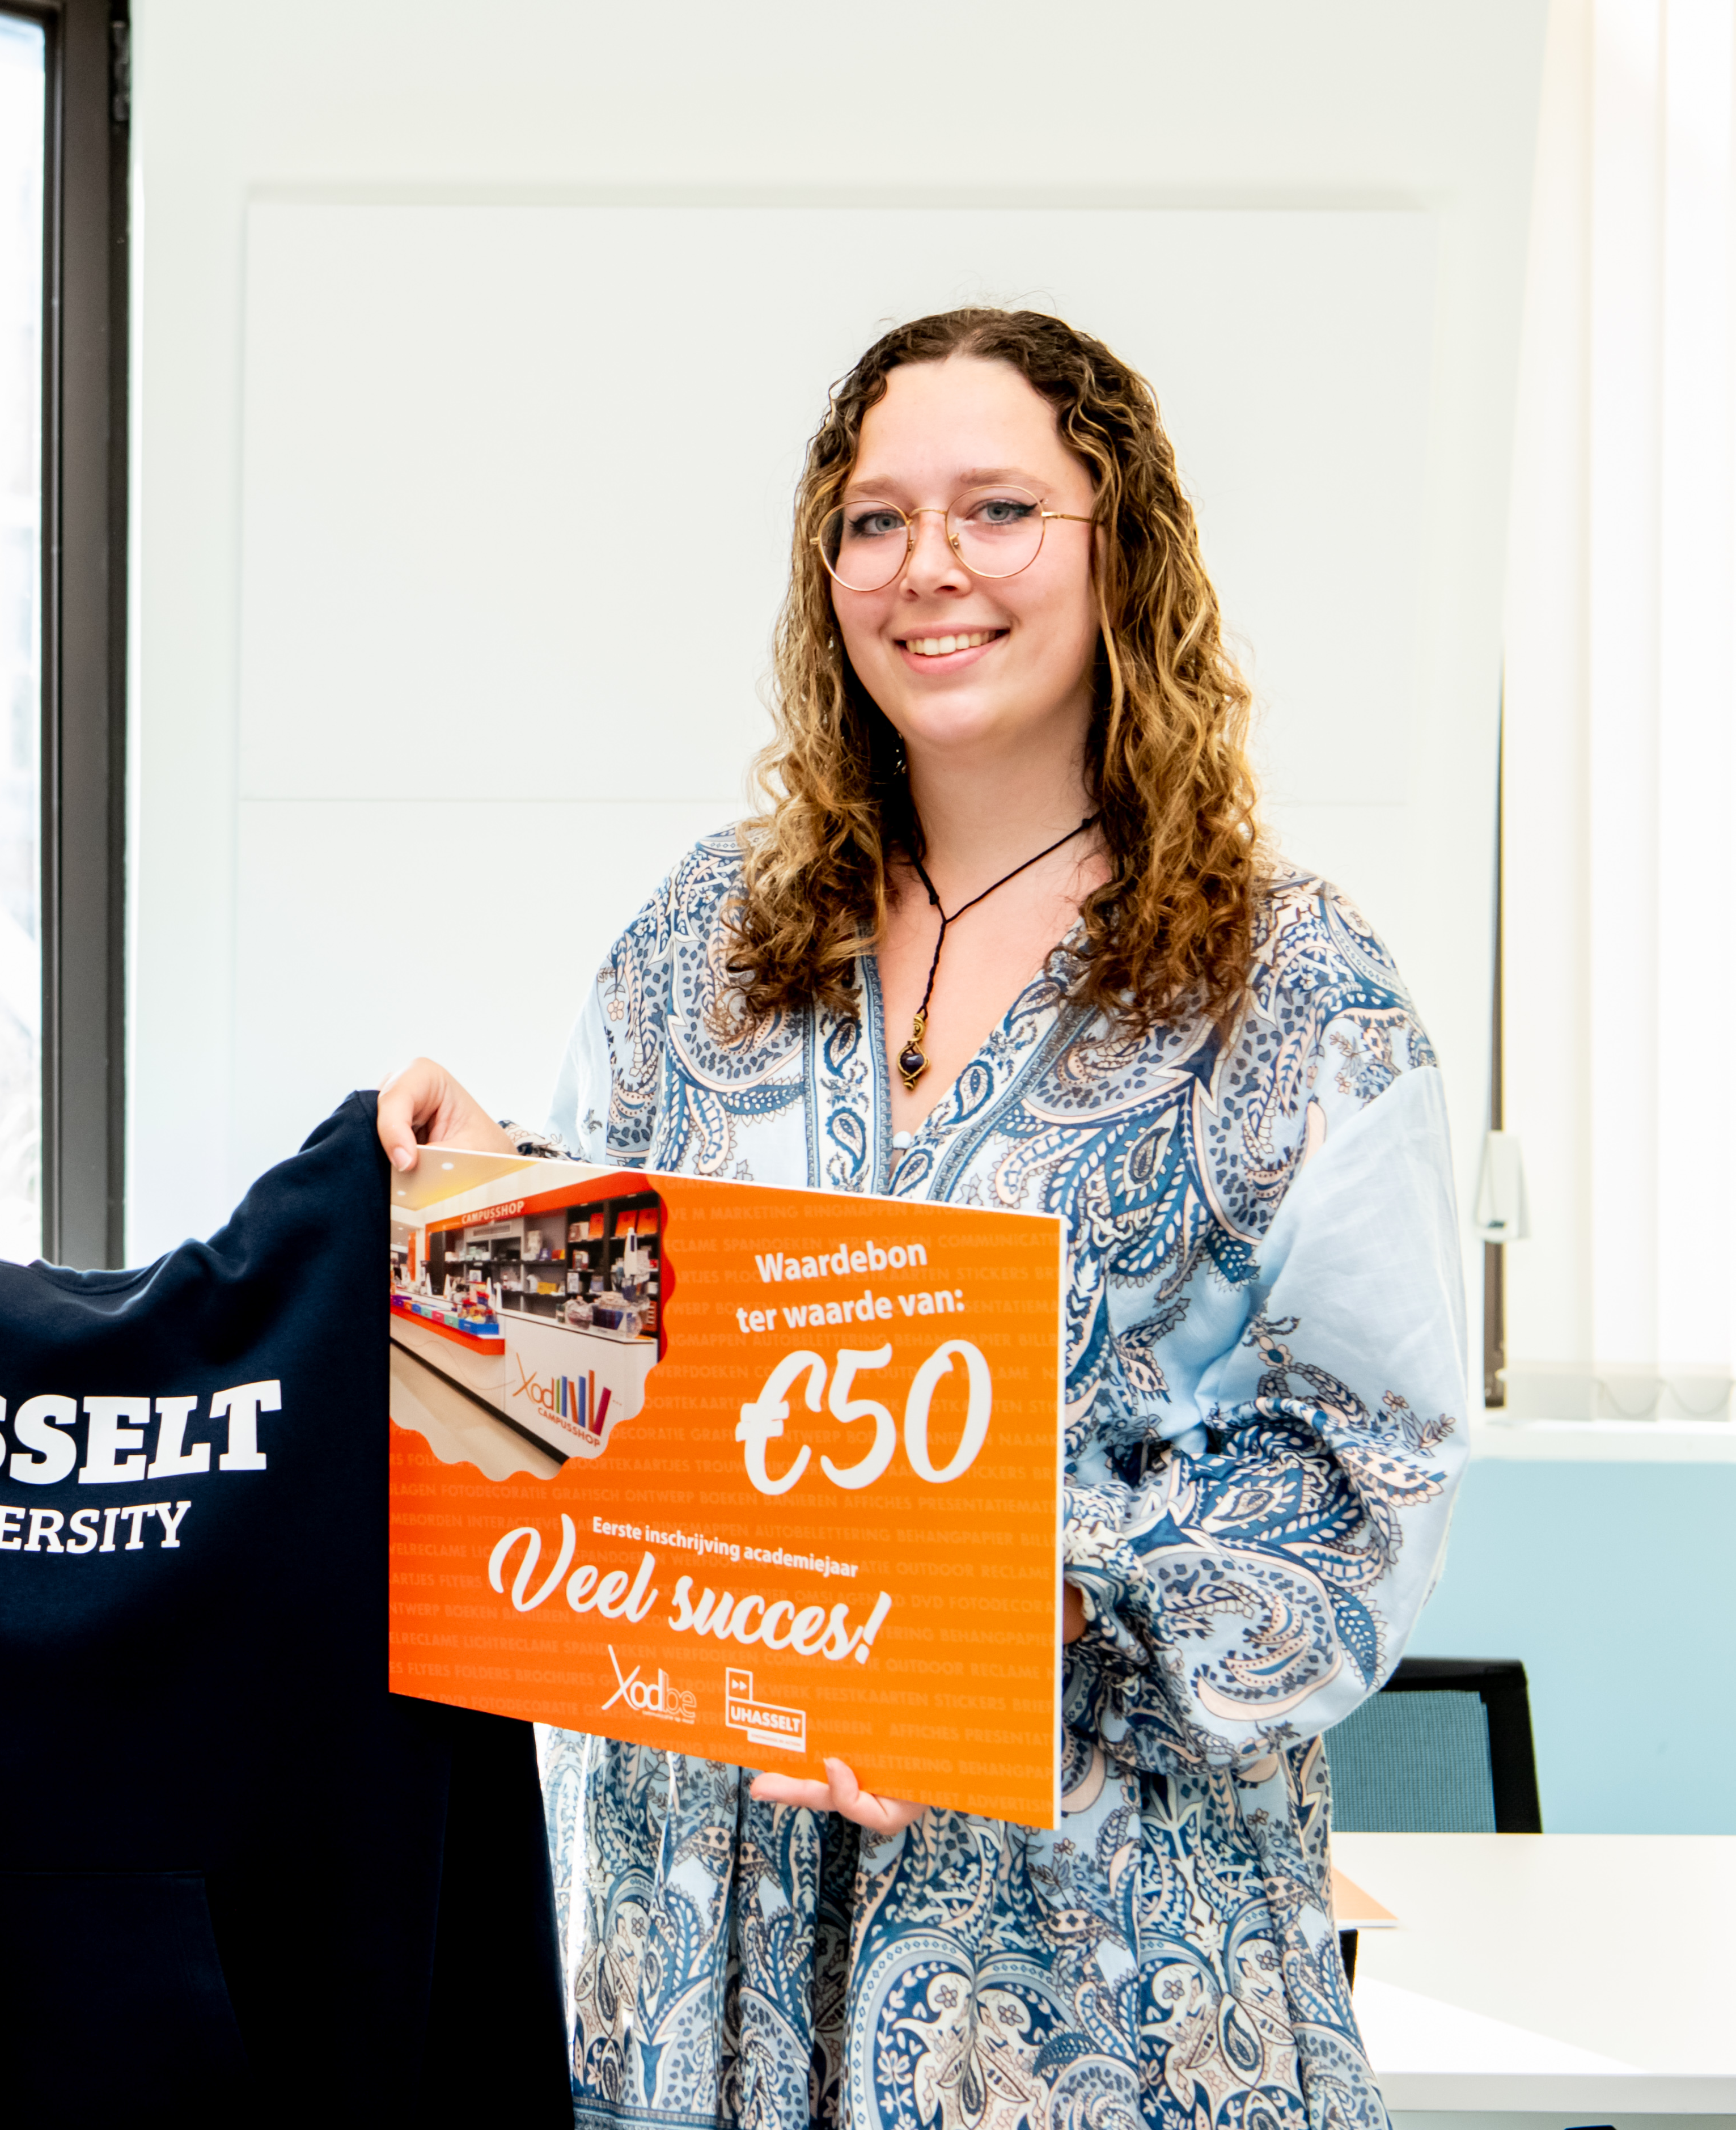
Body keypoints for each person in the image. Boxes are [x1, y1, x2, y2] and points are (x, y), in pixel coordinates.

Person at [379, 308, 1465, 2130]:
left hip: (1086, 1979)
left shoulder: (1287, 986)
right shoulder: (705, 942)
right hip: (701, 1952)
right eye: (873, 520)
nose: (926, 567)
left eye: (997, 510)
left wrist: (1021, 1616)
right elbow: (606, 1399)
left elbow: (1366, 1478)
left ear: (1122, 552)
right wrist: (485, 1210)